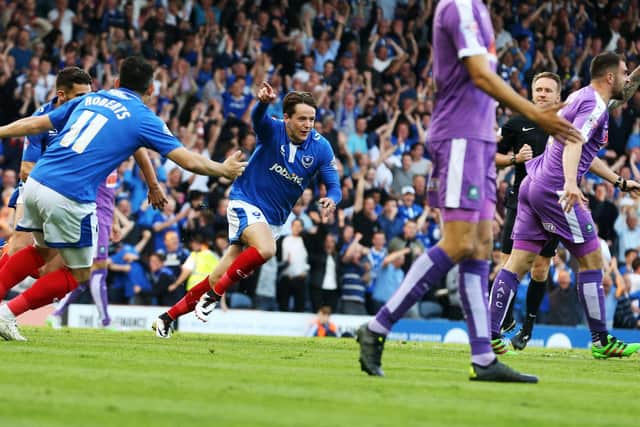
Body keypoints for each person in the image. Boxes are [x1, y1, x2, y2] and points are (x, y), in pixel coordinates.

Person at [356, 0, 581, 382]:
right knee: (459, 241)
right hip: (459, 138)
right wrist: (534, 112)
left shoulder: (478, 11)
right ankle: (377, 327)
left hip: (478, 140)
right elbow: (478, 74)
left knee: (479, 244)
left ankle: (483, 359)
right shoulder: (458, 5)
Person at [0, 56, 247, 341]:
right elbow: (188, 160)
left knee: (42, 252)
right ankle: (8, 314)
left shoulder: (92, 99)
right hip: (69, 195)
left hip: (36, 183)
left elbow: (36, 124)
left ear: (116, 82)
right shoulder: (143, 118)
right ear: (151, 89)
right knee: (79, 274)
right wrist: (222, 169)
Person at [152, 83, 341, 338]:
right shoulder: (273, 129)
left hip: (273, 220)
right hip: (245, 201)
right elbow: (257, 119)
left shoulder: (321, 147)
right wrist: (262, 102)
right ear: (287, 118)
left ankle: (167, 317)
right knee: (266, 250)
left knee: (217, 275)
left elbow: (333, 183)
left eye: (312, 119)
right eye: (302, 119)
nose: (308, 124)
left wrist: (331, 197)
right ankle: (214, 297)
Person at [490, 52, 640, 361]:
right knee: (592, 258)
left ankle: (488, 335)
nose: (627, 79)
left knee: (517, 263)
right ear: (610, 77)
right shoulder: (594, 106)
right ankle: (601, 340)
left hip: (532, 185)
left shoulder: (582, 97)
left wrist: (619, 181)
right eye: (624, 73)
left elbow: (618, 100)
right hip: (556, 189)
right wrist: (571, 183)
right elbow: (574, 142)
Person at [490, 72, 562, 353]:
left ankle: (528, 328)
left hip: (553, 205)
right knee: (508, 262)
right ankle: (505, 320)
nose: (542, 94)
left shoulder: (563, 124)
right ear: (532, 93)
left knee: (541, 267)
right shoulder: (515, 123)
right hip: (519, 199)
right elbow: (491, 156)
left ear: (558, 96)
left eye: (548, 90)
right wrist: (513, 159)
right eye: (538, 89)